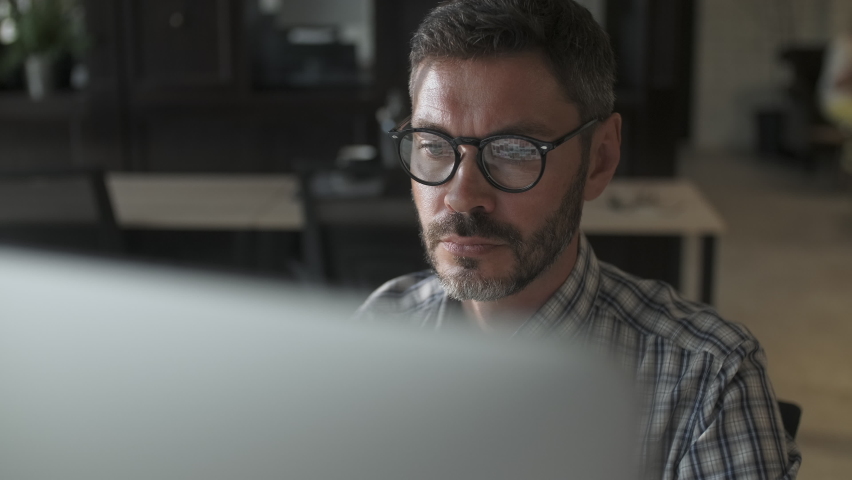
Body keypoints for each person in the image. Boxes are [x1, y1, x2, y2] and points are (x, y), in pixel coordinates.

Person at [355, 0, 801, 478]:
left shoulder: (707, 383)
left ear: (601, 158)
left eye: (512, 150)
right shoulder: (380, 327)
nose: (462, 197)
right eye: (433, 146)